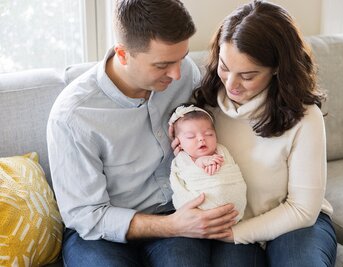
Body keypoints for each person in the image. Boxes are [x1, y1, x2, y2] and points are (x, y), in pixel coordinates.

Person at [47, 0, 264, 266]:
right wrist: (172, 226)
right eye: (162, 65)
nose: (176, 74)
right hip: (99, 233)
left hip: (177, 213)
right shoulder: (73, 116)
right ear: (123, 54)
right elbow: (85, 215)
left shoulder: (184, 74)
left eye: (181, 59)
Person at [191, 1, 337, 266]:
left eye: (247, 75)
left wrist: (238, 233)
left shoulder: (305, 116)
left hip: (295, 222)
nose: (231, 84)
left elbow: (303, 209)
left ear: (277, 68)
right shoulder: (203, 107)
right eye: (224, 66)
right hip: (232, 223)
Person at [168, 104, 247, 222]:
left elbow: (230, 172)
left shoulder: (221, 150)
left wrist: (217, 162)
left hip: (233, 209)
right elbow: (180, 183)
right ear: (178, 142)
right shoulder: (181, 160)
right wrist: (200, 162)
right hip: (198, 214)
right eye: (190, 136)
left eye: (209, 134)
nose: (201, 138)